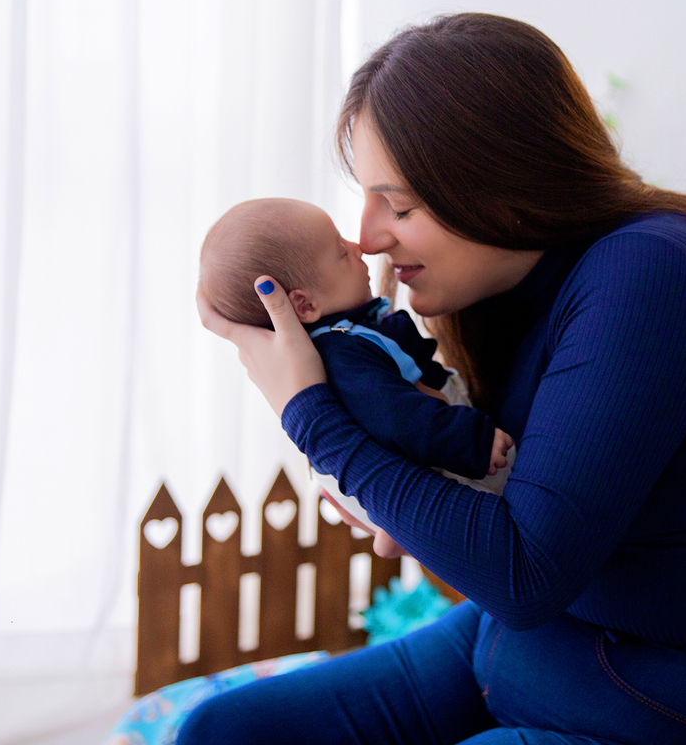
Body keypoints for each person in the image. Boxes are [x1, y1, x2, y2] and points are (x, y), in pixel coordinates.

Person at [184, 12, 686, 745]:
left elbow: (523, 576)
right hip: (535, 646)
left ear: (503, 183)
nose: (366, 237)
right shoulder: (507, 294)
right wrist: (407, 508)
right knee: (220, 730)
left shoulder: (653, 275)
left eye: (399, 205)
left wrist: (310, 415)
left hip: (678, 693)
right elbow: (504, 539)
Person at [199, 197, 512, 556]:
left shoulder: (347, 335)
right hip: (451, 458)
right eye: (341, 251)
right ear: (304, 305)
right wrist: (473, 443)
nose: (358, 247)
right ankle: (401, 530)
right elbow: (400, 418)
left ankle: (396, 532)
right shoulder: (342, 355)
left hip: (410, 465)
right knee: (507, 501)